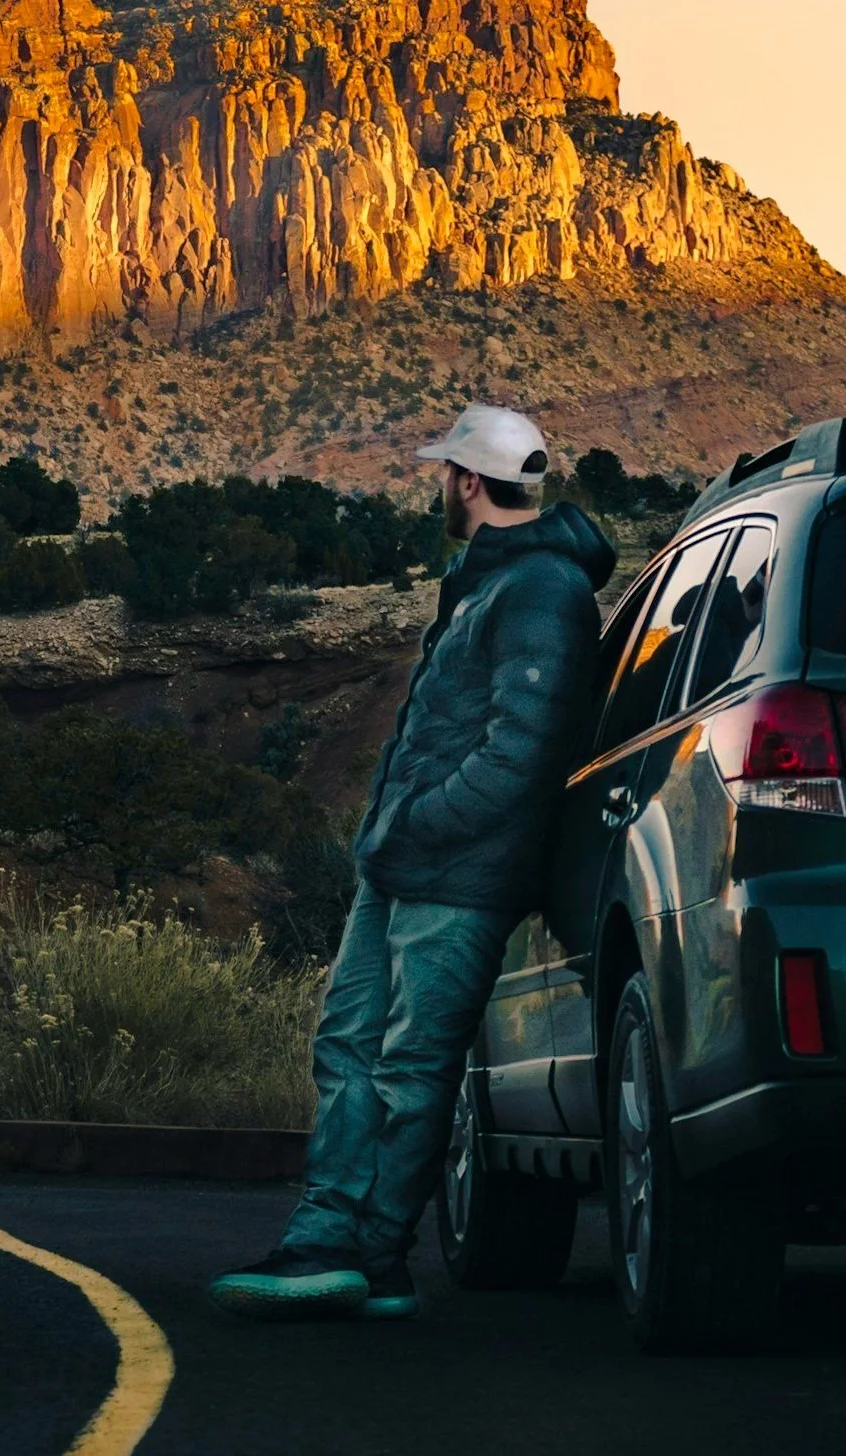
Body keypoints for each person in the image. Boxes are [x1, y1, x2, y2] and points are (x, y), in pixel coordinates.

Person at [210, 404, 616, 1321]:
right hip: (402, 866)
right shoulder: (486, 583)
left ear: (469, 482)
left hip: (456, 878)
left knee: (410, 1066)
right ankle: (328, 1241)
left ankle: (370, 1253)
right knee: (347, 1045)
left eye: (446, 473)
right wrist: (392, 839)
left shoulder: (542, 590)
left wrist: (415, 825)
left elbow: (521, 756)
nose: (440, 486)